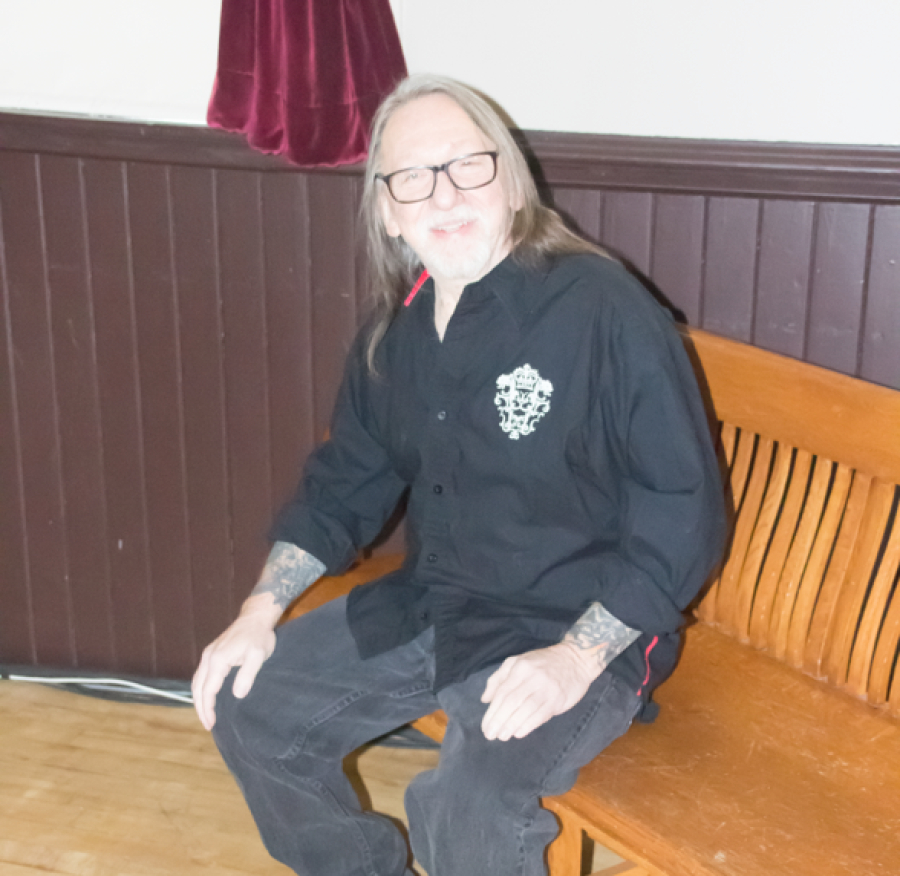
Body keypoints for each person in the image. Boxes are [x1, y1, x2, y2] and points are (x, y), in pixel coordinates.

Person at [192, 74, 726, 876]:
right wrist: (257, 610)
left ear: (511, 179)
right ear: (387, 209)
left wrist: (574, 660)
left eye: (467, 165)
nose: (444, 195)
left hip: (581, 622)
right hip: (439, 602)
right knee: (251, 704)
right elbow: (344, 482)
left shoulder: (602, 308)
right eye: (413, 176)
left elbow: (683, 509)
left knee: (464, 808)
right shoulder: (397, 330)